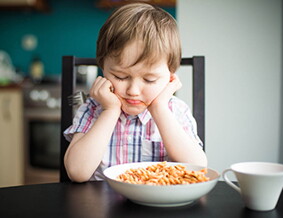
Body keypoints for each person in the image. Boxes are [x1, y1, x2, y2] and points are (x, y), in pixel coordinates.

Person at [64, 2, 207, 183]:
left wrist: (159, 108)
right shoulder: (93, 109)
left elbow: (198, 168)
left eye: (149, 80)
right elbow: (77, 172)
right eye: (120, 76)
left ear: (170, 77)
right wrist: (110, 111)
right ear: (103, 69)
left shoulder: (176, 111)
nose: (133, 91)